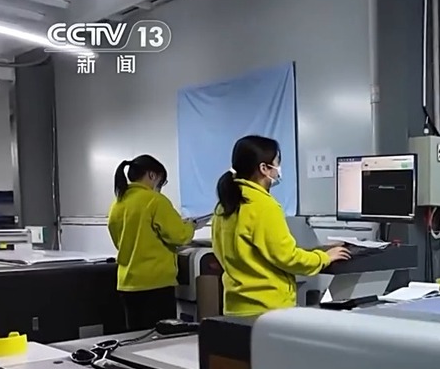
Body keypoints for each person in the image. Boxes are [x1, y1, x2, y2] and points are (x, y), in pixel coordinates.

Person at [213, 135, 350, 316]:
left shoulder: (225, 204)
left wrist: (318, 250)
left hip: (236, 307)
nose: (279, 169)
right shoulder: (263, 205)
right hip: (267, 308)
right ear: (264, 168)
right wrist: (324, 258)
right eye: (277, 163)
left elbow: (252, 252)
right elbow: (287, 257)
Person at [108, 155, 205, 330]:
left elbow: (120, 241)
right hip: (156, 284)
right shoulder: (155, 201)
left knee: (137, 337)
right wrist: (191, 226)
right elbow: (179, 236)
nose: (159, 187)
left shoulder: (118, 204)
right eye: (161, 181)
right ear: (152, 175)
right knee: (160, 338)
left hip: (127, 284)